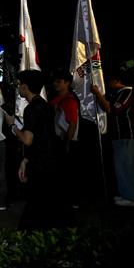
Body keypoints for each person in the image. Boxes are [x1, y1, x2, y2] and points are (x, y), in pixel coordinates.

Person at [6, 70, 66, 230]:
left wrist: (12, 126)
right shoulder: (47, 106)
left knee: (35, 203)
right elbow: (44, 137)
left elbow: (28, 139)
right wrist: (25, 160)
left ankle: (29, 235)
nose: (18, 87)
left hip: (40, 164)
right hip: (51, 159)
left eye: (19, 84)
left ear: (25, 87)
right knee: (46, 202)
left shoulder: (31, 109)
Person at [92, 72, 134, 206]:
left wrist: (97, 93)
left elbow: (113, 109)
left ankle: (133, 197)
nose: (107, 83)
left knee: (131, 167)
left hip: (130, 136)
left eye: (109, 80)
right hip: (121, 136)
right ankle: (126, 194)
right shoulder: (118, 94)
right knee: (122, 167)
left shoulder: (128, 92)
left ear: (116, 80)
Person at [49, 69, 83, 206]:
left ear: (67, 83)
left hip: (67, 141)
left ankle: (72, 201)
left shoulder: (69, 100)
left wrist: (67, 143)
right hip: (60, 140)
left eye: (59, 81)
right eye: (55, 81)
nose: (55, 84)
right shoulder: (57, 100)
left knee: (69, 172)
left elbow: (73, 123)